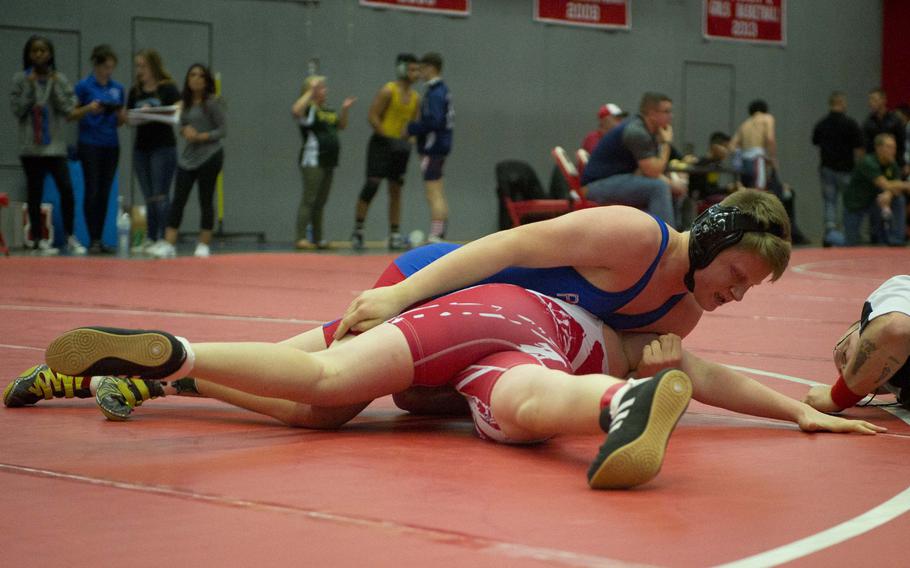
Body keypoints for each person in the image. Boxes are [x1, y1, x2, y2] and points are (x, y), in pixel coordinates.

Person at [38, 284, 885, 490]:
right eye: (730, 283)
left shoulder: (639, 319)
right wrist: (808, 409)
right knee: (326, 381)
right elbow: (709, 374)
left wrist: (809, 409)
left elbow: (709, 373)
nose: (728, 298)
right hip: (475, 317)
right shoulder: (637, 299)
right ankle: (174, 360)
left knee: (511, 414)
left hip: (481, 342)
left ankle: (173, 366)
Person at [10, 35, 87, 255]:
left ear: (50, 54)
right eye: (34, 51)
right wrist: (30, 87)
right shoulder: (20, 79)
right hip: (30, 147)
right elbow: (17, 110)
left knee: (67, 190)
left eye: (43, 50)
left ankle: (71, 236)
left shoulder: (59, 79)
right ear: (28, 55)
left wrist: (52, 88)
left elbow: (70, 107)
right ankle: (37, 240)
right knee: (35, 192)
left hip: (55, 146)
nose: (39, 55)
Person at [151, 64, 226, 259]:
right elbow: (182, 124)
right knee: (178, 200)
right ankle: (169, 243)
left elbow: (222, 130)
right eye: (192, 75)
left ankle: (203, 244)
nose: (196, 79)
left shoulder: (211, 103)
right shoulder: (183, 103)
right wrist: (185, 131)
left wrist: (201, 136)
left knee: (205, 199)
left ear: (206, 80)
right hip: (189, 157)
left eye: (201, 76)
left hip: (210, 155)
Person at [804, 275, 910, 413]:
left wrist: (837, 397)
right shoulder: (902, 390)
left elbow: (895, 327)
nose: (845, 369)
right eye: (845, 372)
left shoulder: (898, 290)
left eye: (843, 355)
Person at [580, 92, 686, 226]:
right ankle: (668, 242)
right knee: (659, 187)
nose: (671, 116)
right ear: (652, 114)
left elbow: (647, 171)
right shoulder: (636, 132)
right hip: (596, 186)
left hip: (615, 180)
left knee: (667, 188)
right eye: (666, 112)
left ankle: (673, 235)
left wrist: (673, 185)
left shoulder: (647, 130)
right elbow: (653, 172)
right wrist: (666, 143)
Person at [350, 54, 420, 251]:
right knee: (372, 184)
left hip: (400, 147)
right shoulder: (388, 91)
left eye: (418, 70)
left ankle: (395, 233)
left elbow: (413, 123)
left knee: (396, 188)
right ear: (402, 69)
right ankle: (358, 229)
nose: (416, 74)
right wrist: (387, 137)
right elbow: (372, 116)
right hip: (381, 144)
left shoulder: (415, 98)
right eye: (412, 69)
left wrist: (409, 139)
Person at [291, 75, 355, 250]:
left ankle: (319, 238)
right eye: (321, 88)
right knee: (309, 199)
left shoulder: (327, 110)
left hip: (329, 160)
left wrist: (345, 109)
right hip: (313, 160)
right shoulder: (309, 109)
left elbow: (341, 126)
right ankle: (300, 237)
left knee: (321, 201)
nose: (325, 91)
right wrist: (309, 93)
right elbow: (295, 110)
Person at [74, 45, 126, 254]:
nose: (108, 71)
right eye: (105, 67)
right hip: (90, 142)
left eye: (112, 67)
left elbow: (121, 120)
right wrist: (89, 108)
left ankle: (100, 237)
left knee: (105, 192)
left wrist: (120, 115)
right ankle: (92, 236)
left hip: (111, 143)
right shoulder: (84, 86)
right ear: (96, 65)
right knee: (92, 189)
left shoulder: (118, 88)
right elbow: (72, 113)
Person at [128, 49, 179, 254]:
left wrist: (155, 111)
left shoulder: (167, 88)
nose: (140, 70)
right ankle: (150, 236)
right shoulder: (135, 91)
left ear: (153, 66)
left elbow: (177, 108)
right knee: (148, 195)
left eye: (143, 66)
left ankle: (163, 238)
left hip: (163, 146)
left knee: (160, 194)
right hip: (142, 147)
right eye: (137, 66)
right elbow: (128, 116)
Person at [406, 52, 453, 244]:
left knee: (433, 192)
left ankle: (437, 234)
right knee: (437, 190)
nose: (420, 73)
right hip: (440, 146)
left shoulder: (435, 93)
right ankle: (439, 232)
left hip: (433, 147)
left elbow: (434, 121)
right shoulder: (442, 90)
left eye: (422, 69)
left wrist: (411, 128)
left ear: (431, 68)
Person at [811, 91, 864, 247]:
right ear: (841, 103)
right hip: (846, 169)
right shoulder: (850, 123)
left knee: (830, 202)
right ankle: (850, 233)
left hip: (827, 168)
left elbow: (815, 141)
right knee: (849, 202)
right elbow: (859, 147)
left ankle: (830, 234)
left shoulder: (822, 123)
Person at [843, 133, 910, 246]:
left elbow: (895, 189)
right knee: (850, 243)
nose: (892, 150)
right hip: (856, 204)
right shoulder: (868, 162)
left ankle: (896, 240)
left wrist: (888, 194)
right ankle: (832, 237)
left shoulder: (892, 164)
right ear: (878, 148)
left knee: (898, 199)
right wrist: (906, 185)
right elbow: (885, 184)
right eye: (889, 147)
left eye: (894, 147)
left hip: (874, 203)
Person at [862, 88, 906, 176]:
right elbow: (866, 146)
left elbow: (902, 144)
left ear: (883, 100)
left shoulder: (895, 120)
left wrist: (903, 164)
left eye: (874, 99)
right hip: (874, 165)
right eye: (870, 100)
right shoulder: (868, 122)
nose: (870, 103)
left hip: (893, 164)